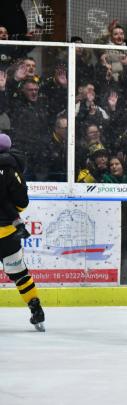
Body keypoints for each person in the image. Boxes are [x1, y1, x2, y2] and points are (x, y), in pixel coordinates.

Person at [0, 133, 45, 331]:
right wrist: (11, 214)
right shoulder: (14, 167)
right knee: (20, 274)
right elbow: (22, 202)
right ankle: (36, 310)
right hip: (9, 231)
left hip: (9, 227)